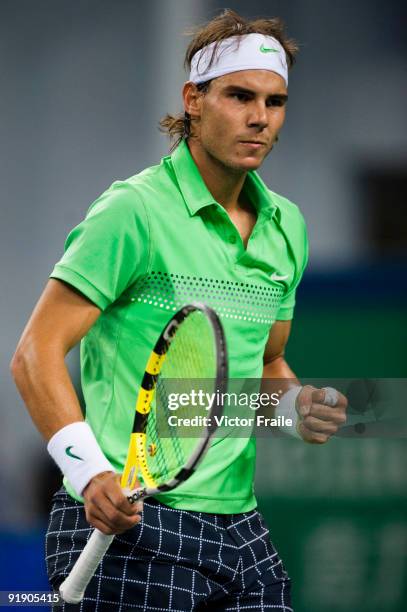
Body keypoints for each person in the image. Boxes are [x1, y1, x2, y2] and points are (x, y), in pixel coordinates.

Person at [11, 9, 347, 611]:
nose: (259, 118)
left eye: (275, 102)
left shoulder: (287, 226)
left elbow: (266, 365)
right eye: (239, 96)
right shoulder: (131, 212)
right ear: (193, 99)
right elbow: (33, 355)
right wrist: (89, 474)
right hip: (127, 520)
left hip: (240, 528)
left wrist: (298, 406)